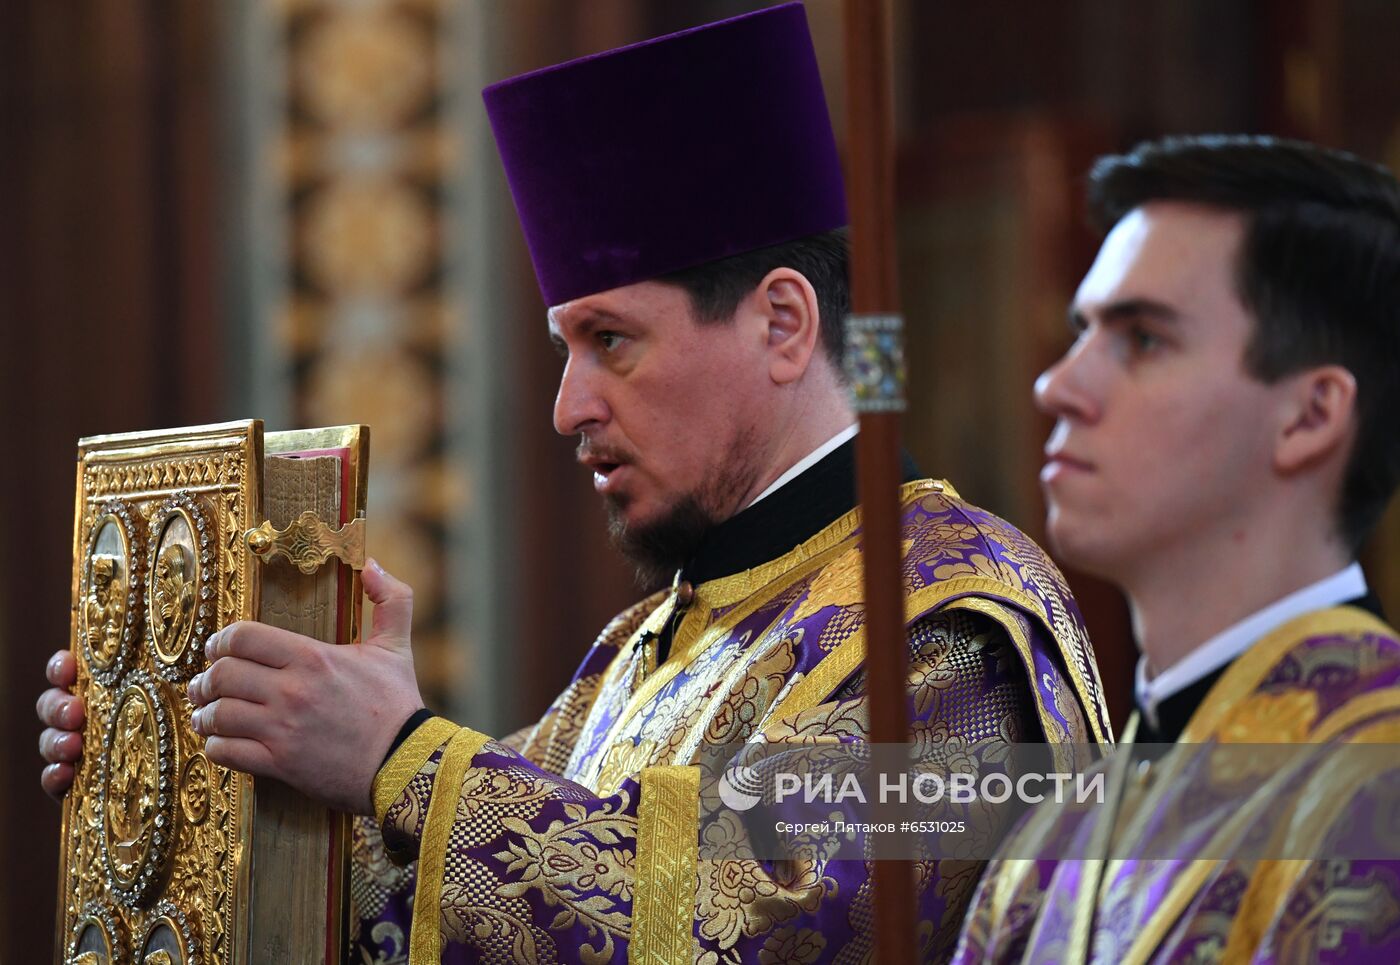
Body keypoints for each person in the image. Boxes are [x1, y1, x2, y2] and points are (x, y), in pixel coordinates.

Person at [38, 5, 1110, 961]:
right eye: (564, 346)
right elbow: (441, 912)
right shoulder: (641, 649)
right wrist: (205, 763)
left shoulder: (949, 623)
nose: (569, 405)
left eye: (612, 341)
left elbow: (756, 923)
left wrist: (400, 755)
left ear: (781, 323)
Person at [954, 134, 1400, 963]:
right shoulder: (1051, 839)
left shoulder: (1376, 791)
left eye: (1144, 339)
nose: (1057, 384)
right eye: (1081, 330)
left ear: (1309, 415)